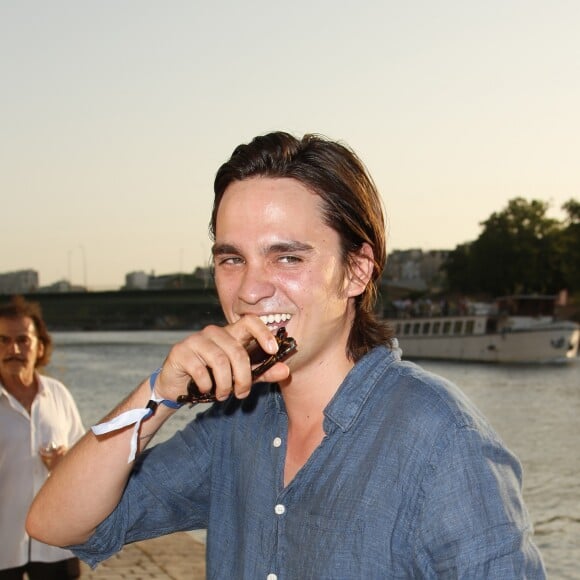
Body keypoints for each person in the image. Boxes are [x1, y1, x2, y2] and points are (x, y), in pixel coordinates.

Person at [27, 131, 545, 578]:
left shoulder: (440, 439)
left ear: (356, 270)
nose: (250, 289)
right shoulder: (234, 425)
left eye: (288, 256)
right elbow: (56, 523)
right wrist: (160, 393)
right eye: (232, 258)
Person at [0, 296, 85, 579]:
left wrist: (66, 465)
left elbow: (86, 465)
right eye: (3, 340)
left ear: (39, 346)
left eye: (23, 340)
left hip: (55, 543)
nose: (13, 349)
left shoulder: (58, 394)